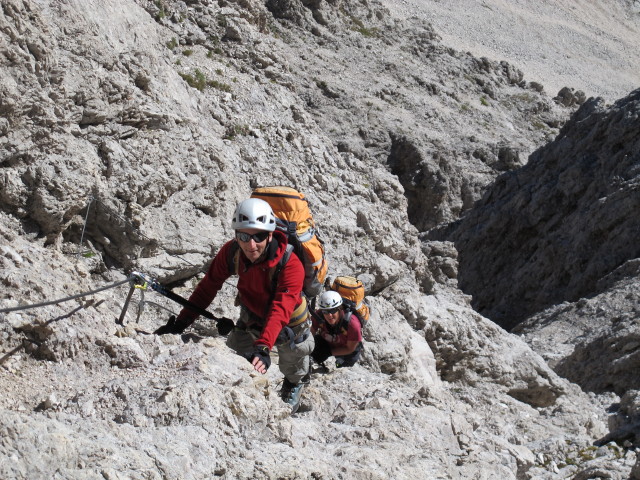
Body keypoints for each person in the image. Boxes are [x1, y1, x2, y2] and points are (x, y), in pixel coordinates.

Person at [154, 198, 314, 412]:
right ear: (236, 235)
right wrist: (181, 323)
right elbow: (208, 288)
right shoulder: (232, 252)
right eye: (244, 236)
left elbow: (281, 307)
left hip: (291, 323)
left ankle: (295, 383)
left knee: (292, 364)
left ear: (269, 234)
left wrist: (264, 346)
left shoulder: (290, 264)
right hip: (252, 316)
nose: (251, 244)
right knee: (235, 353)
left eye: (258, 236)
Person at [311, 290, 363, 368]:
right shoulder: (319, 315)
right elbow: (310, 334)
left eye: (333, 310)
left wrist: (328, 353)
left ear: (340, 309)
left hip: (347, 351)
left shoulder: (352, 324)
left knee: (343, 366)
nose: (329, 315)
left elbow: (349, 349)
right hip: (327, 344)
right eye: (325, 311)